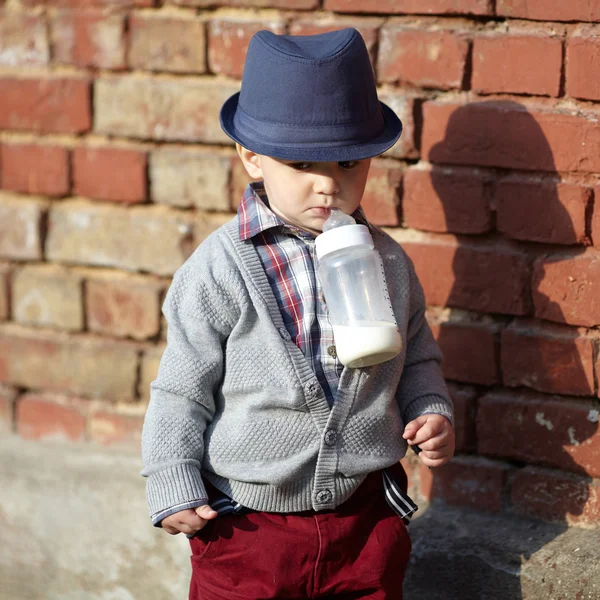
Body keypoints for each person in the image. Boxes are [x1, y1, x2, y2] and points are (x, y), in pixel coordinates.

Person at [141, 28, 455, 600]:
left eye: (348, 162)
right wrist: (171, 478)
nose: (327, 184)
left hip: (364, 518)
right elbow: (181, 390)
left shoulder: (386, 260)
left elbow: (417, 355)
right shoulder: (220, 269)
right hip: (248, 526)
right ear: (252, 157)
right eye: (302, 162)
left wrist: (431, 410)